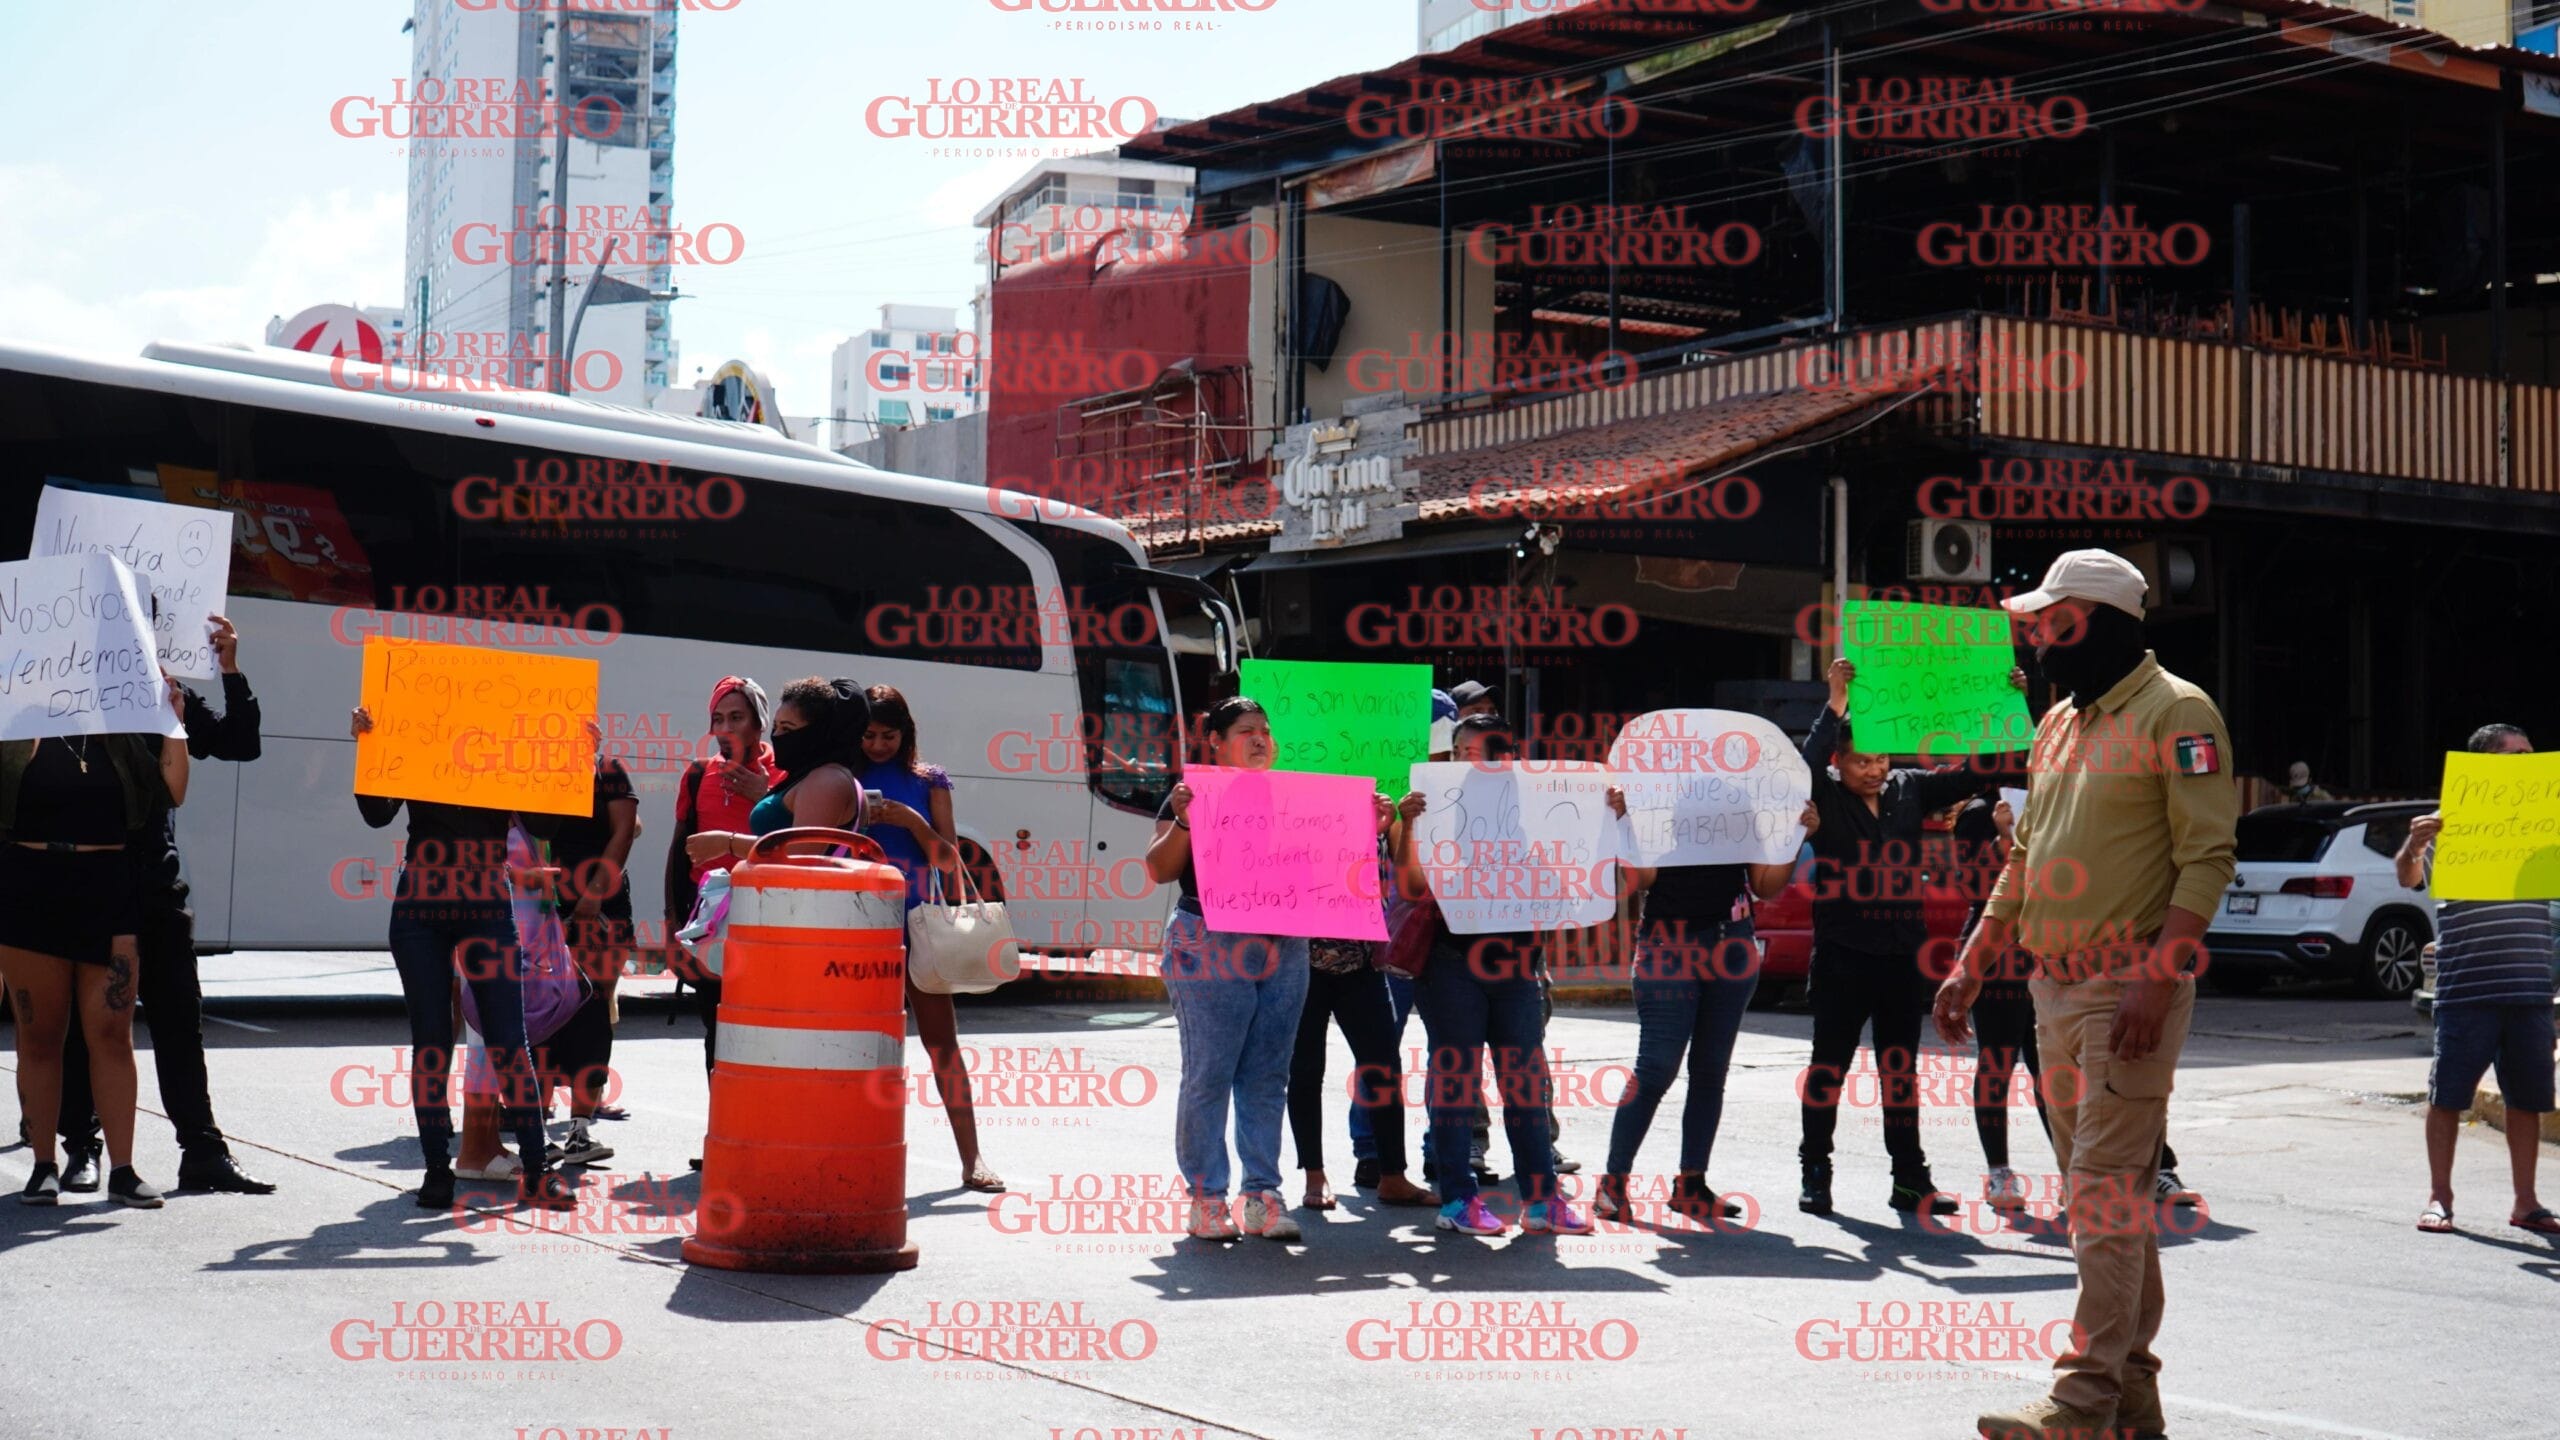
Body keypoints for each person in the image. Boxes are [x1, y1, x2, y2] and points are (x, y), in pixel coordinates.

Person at [1932, 548, 2239, 1440]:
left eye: (2052, 622)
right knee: (2111, 1198)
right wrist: (1973, 958)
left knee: (2099, 1194)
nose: (2037, 639)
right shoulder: (2059, 721)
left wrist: (2159, 973)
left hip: (2125, 988)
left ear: (2100, 622)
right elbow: (2027, 857)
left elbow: (2206, 855)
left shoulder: (2178, 711)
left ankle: (2079, 1401)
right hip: (2052, 991)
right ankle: (2133, 1398)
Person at [51, 615, 274, 1195]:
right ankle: (82, 1147)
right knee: (90, 1024)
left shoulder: (167, 691)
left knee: (180, 1020)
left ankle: (201, 1150)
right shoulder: (69, 693)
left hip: (157, 883)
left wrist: (230, 669)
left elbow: (240, 744)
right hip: (91, 881)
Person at [1797, 655, 2027, 1217]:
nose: (1874, 770)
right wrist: (1835, 701)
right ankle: (1816, 1170)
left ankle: (1910, 1178)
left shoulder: (1909, 787)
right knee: (1829, 1068)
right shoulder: (1822, 795)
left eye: (1880, 759)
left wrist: (2007, 704)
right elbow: (1801, 766)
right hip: (1842, 956)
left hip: (1902, 955)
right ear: (1839, 762)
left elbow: (1977, 770)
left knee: (1900, 1072)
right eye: (1861, 762)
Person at [351, 706, 573, 1213]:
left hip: (484, 903)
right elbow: (376, 812)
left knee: (507, 1039)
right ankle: (436, 1170)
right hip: (421, 907)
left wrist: (573, 761)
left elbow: (544, 821)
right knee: (431, 1038)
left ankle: (536, 1172)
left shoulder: (503, 758)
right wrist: (369, 745)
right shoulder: (420, 743)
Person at [1390, 712, 1593, 1238]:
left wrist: (1604, 820)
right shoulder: (1429, 807)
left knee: (1525, 1085)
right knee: (1456, 1082)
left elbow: (1570, 875)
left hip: (1517, 966)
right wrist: (1409, 826)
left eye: (1487, 753)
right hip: (1451, 965)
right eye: (1463, 754)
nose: (1473, 763)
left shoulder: (1543, 806)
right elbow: (1411, 887)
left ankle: (1543, 1201)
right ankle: (1457, 1197)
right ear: (1451, 757)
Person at [5, 684, 190, 1208]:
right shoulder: (16, 720)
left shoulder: (124, 727)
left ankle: (124, 1169)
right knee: (39, 1036)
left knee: (111, 1034)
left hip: (107, 885)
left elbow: (173, 789)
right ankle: (43, 1166)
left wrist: (174, 722)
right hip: (29, 884)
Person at [1594, 785, 1805, 1224]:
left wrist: (1795, 835)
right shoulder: (1658, 808)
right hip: (1668, 946)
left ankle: (1691, 1183)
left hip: (1733, 942)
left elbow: (1765, 886)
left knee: (1711, 1071)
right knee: (1656, 1066)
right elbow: (1638, 882)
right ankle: (1612, 1185)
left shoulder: (1739, 807)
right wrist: (1626, 824)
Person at [1146, 697, 1313, 1242]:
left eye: (1266, 730)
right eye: (1246, 731)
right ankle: (1206, 1198)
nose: (1261, 739)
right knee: (1211, 1072)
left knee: (1268, 1074)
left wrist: (1375, 824)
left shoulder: (1298, 797)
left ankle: (1262, 1194)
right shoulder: (1192, 793)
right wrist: (1185, 819)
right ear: (1214, 742)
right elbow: (1158, 868)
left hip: (1283, 944)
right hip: (1209, 940)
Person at [2397, 722, 2557, 1237]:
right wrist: (2413, 844)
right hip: (2468, 989)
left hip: (2530, 988)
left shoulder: (2544, 826)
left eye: (2531, 755)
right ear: (2484, 765)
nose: (2528, 764)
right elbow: (2408, 878)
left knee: (2528, 1100)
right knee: (2448, 1097)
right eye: (2515, 756)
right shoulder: (2450, 828)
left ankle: (2526, 1202)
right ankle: (2439, 1198)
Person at [858, 683, 1003, 1193]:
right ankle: (852, 1151)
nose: (878, 745)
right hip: (857, 923)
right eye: (870, 734)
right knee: (855, 1044)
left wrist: (910, 821)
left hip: (919, 919)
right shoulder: (842, 776)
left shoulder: (929, 779)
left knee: (943, 1042)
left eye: (889, 735)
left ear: (906, 733)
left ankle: (973, 1157)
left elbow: (949, 861)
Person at [1288, 821, 1436, 1212]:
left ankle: (1393, 1176)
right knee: (1305, 1072)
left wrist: (1394, 829)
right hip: (1302, 965)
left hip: (1363, 965)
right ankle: (1314, 1175)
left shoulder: (1378, 820)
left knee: (1384, 1068)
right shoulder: (1295, 811)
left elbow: (1409, 886)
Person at [664, 676, 780, 1088]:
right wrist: (672, 927)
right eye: (718, 719)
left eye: (737, 717)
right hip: (711, 925)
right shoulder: (698, 775)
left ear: (759, 723)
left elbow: (799, 843)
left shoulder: (785, 777)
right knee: (717, 1028)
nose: (726, 729)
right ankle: (723, 1136)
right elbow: (679, 851)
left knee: (764, 1030)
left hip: (768, 921)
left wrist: (765, 793)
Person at [540, 740, 639, 1168]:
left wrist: (593, 896)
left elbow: (625, 830)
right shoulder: (529, 770)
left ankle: (579, 1130)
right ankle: (536, 1129)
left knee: (595, 1013)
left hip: (602, 907)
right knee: (539, 1014)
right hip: (539, 906)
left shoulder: (608, 769)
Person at [1953, 793, 2053, 1211]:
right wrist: (2001, 839)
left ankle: (2074, 1170)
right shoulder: (1978, 812)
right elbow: (1972, 886)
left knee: (2053, 1066)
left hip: (2049, 946)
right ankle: (1999, 1172)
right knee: (1998, 1062)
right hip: (1996, 954)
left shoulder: (2054, 798)